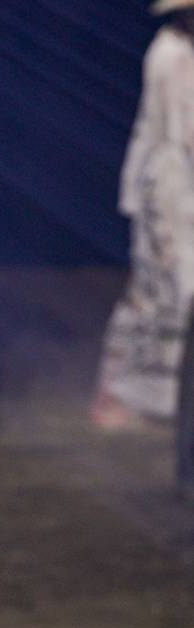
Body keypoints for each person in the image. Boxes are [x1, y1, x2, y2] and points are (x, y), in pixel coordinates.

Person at [91, 0, 194, 430]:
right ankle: (118, 390)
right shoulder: (170, 52)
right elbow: (178, 131)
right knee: (161, 289)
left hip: (177, 182)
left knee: (172, 291)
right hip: (170, 188)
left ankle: (164, 396)